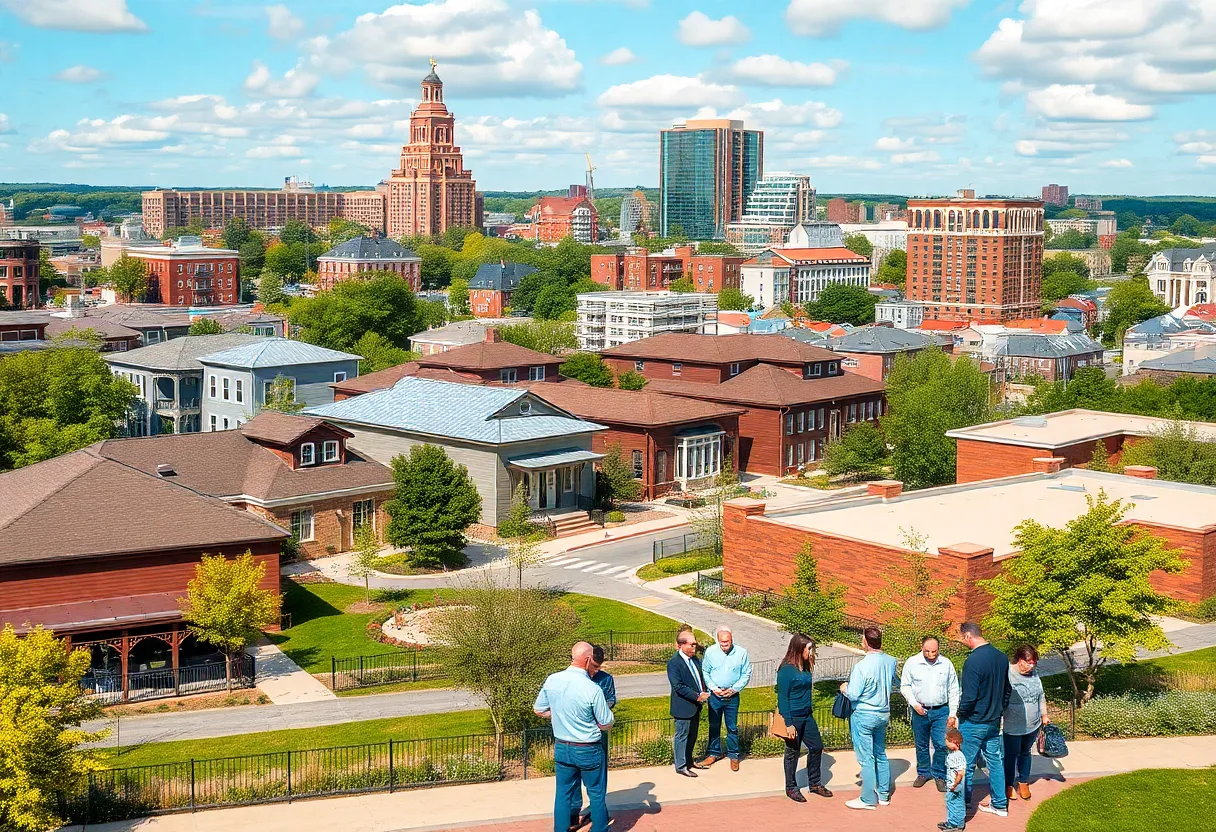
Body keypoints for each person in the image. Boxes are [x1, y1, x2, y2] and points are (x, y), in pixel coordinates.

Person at [534, 642, 615, 832]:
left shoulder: (553, 680)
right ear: (588, 660)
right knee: (595, 792)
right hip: (588, 748)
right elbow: (606, 723)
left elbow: (538, 710)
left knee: (563, 793)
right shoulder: (591, 688)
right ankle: (600, 829)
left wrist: (559, 715)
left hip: (562, 746)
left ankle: (560, 829)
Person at [956, 621, 1012, 818]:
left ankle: (962, 805)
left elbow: (969, 696)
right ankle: (1000, 804)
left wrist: (960, 714)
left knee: (966, 764)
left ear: (968, 636)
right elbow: (1007, 690)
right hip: (993, 721)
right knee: (995, 762)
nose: (963, 642)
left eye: (963, 638)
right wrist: (1000, 709)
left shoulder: (973, 661)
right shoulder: (1001, 657)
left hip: (974, 721)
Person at [839, 626, 899, 810]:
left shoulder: (862, 666)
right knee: (880, 753)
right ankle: (883, 795)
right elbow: (896, 682)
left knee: (866, 758)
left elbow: (854, 694)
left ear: (866, 641)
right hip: (883, 713)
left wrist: (844, 688)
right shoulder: (891, 661)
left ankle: (867, 798)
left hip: (864, 714)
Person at [776, 633, 833, 803]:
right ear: (799, 648)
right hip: (793, 717)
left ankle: (814, 783)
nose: (812, 651)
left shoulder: (805, 666)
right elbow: (782, 698)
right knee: (792, 752)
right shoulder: (786, 670)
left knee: (816, 746)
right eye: (809, 648)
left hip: (807, 715)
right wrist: (788, 723)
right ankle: (791, 787)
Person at [901, 635, 961, 792]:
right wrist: (914, 704)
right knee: (921, 744)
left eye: (934, 651)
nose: (931, 655)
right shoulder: (912, 663)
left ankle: (939, 774)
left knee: (941, 745)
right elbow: (905, 685)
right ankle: (923, 773)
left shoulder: (946, 664)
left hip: (941, 710)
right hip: (920, 710)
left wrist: (952, 713)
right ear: (922, 648)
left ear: (938, 649)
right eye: (928, 652)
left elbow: (954, 689)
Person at [570, 645, 617, 828]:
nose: (595, 670)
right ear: (587, 661)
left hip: (598, 732)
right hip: (576, 733)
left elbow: (612, 698)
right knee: (573, 778)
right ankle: (573, 813)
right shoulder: (573, 677)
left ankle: (599, 814)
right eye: (594, 666)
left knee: (598, 779)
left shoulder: (605, 679)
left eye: (599, 667)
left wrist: (604, 706)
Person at [700, 625, 752, 772]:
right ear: (718, 640)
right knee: (714, 725)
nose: (724, 645)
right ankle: (713, 753)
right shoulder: (710, 652)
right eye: (722, 642)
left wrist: (734, 689)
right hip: (715, 695)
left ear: (731, 639)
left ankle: (734, 755)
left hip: (732, 695)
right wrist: (714, 689)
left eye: (727, 642)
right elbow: (706, 671)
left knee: (732, 727)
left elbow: (746, 673)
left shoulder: (741, 653)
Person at [1003, 644, 1050, 801]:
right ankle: (1008, 784)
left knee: (1025, 753)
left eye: (1033, 663)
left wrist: (1044, 714)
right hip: (1013, 724)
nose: (1031, 666)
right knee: (1010, 755)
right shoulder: (1008, 672)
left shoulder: (1035, 674)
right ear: (1019, 659)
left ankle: (1023, 782)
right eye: (1028, 663)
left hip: (1032, 724)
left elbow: (1041, 695)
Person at [667, 630, 710, 777]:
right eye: (691, 645)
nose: (694, 647)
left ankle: (690, 761)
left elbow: (700, 679)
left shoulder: (695, 660)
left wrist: (705, 691)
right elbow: (678, 686)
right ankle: (681, 766)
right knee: (682, 736)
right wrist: (697, 696)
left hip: (695, 707)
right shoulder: (674, 663)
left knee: (692, 735)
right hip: (683, 707)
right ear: (681, 645)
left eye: (695, 644)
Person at [940, 728, 967, 831]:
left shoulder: (957, 756)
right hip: (952, 783)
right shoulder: (952, 754)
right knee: (951, 801)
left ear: (954, 742)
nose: (945, 742)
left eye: (947, 740)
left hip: (955, 785)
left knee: (954, 802)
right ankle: (952, 821)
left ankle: (956, 824)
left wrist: (955, 785)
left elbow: (960, 773)